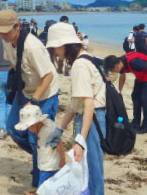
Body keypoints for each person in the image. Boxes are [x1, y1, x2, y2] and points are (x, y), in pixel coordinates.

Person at [0, 10, 59, 191]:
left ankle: (40, 185)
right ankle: (44, 157)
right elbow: (14, 63)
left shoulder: (32, 46)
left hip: (44, 95)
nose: (3, 35)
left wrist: (35, 100)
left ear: (17, 27)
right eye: (0, 31)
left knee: (36, 138)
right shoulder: (6, 41)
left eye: (6, 31)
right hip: (25, 91)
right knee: (13, 128)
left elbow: (48, 75)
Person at [45, 22, 106, 195]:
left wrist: (81, 140)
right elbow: (75, 103)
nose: (55, 53)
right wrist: (60, 128)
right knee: (88, 170)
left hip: (91, 120)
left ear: (64, 45)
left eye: (56, 48)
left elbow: (88, 104)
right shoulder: (86, 57)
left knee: (91, 172)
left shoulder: (79, 65)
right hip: (93, 118)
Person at [104, 52, 147, 134]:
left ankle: (146, 126)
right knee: (135, 97)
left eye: (112, 70)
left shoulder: (133, 62)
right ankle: (136, 122)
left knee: (144, 100)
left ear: (116, 66)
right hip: (140, 76)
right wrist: (119, 91)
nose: (113, 72)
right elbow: (122, 77)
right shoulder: (120, 63)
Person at [15, 105, 65, 189]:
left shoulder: (48, 131)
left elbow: (59, 144)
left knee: (43, 188)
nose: (29, 129)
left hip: (49, 166)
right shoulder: (46, 124)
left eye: (29, 127)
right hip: (47, 164)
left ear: (35, 124)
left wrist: (62, 160)